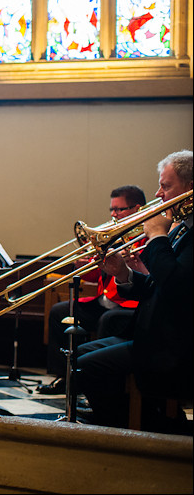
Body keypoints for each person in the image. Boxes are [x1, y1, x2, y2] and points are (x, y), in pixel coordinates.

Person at [76, 150, 192, 432]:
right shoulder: (181, 228)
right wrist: (124, 274)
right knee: (79, 353)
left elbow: (177, 287)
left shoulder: (177, 230)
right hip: (154, 335)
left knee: (88, 366)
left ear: (189, 188)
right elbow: (156, 285)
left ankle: (131, 428)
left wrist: (157, 236)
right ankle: (126, 417)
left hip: (175, 348)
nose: (158, 193)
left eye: (165, 186)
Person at [38, 185, 146, 396]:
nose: (114, 214)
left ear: (137, 208)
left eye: (119, 209)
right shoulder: (112, 235)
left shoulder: (144, 236)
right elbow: (99, 276)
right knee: (60, 311)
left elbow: (144, 276)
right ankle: (65, 377)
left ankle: (97, 386)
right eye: (112, 209)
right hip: (104, 301)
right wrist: (83, 266)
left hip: (129, 306)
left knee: (109, 320)